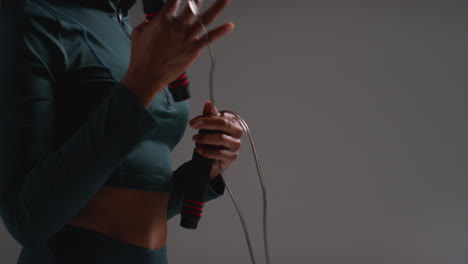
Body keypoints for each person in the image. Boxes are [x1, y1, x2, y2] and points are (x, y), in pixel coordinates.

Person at [0, 0, 243, 263]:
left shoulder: (129, 29)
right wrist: (142, 82)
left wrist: (209, 165)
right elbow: (26, 219)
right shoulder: (28, 19)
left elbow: (133, 194)